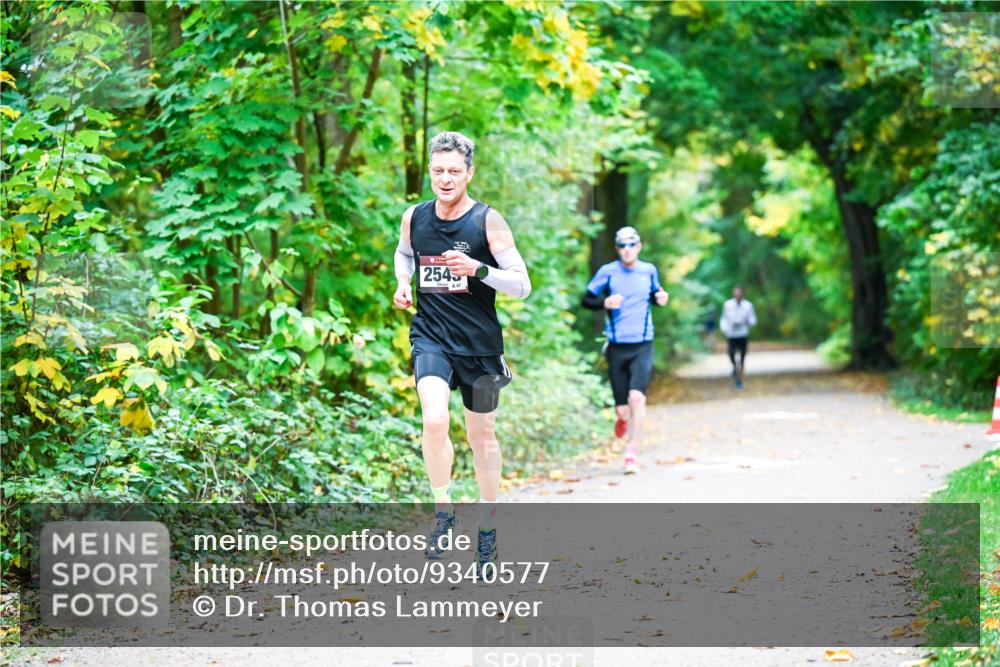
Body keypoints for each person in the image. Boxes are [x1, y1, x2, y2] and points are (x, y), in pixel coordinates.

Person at [392, 131, 531, 574]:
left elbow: (522, 285)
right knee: (433, 419)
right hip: (431, 336)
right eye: (438, 171)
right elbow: (404, 253)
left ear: (469, 173)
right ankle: (444, 513)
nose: (445, 179)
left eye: (454, 171)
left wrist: (479, 269)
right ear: (429, 172)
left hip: (480, 348)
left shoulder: (489, 221)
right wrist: (401, 281)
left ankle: (487, 531)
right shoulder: (414, 217)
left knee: (481, 437)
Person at [581, 227, 669, 474]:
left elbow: (654, 294)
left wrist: (661, 298)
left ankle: (632, 452)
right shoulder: (608, 272)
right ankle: (621, 419)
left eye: (631, 245)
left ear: (639, 246)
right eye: (622, 246)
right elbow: (586, 300)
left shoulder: (648, 271)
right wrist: (604, 303)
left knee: (637, 398)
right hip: (617, 346)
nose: (627, 250)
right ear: (617, 248)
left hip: (643, 343)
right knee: (623, 409)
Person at [719, 286, 757, 390]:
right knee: (731, 353)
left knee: (742, 355)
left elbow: (753, 319)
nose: (737, 295)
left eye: (739, 293)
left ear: (742, 294)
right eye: (736, 293)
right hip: (731, 334)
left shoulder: (748, 306)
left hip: (743, 333)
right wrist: (724, 328)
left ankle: (739, 375)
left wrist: (748, 322)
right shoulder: (728, 305)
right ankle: (735, 368)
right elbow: (724, 318)